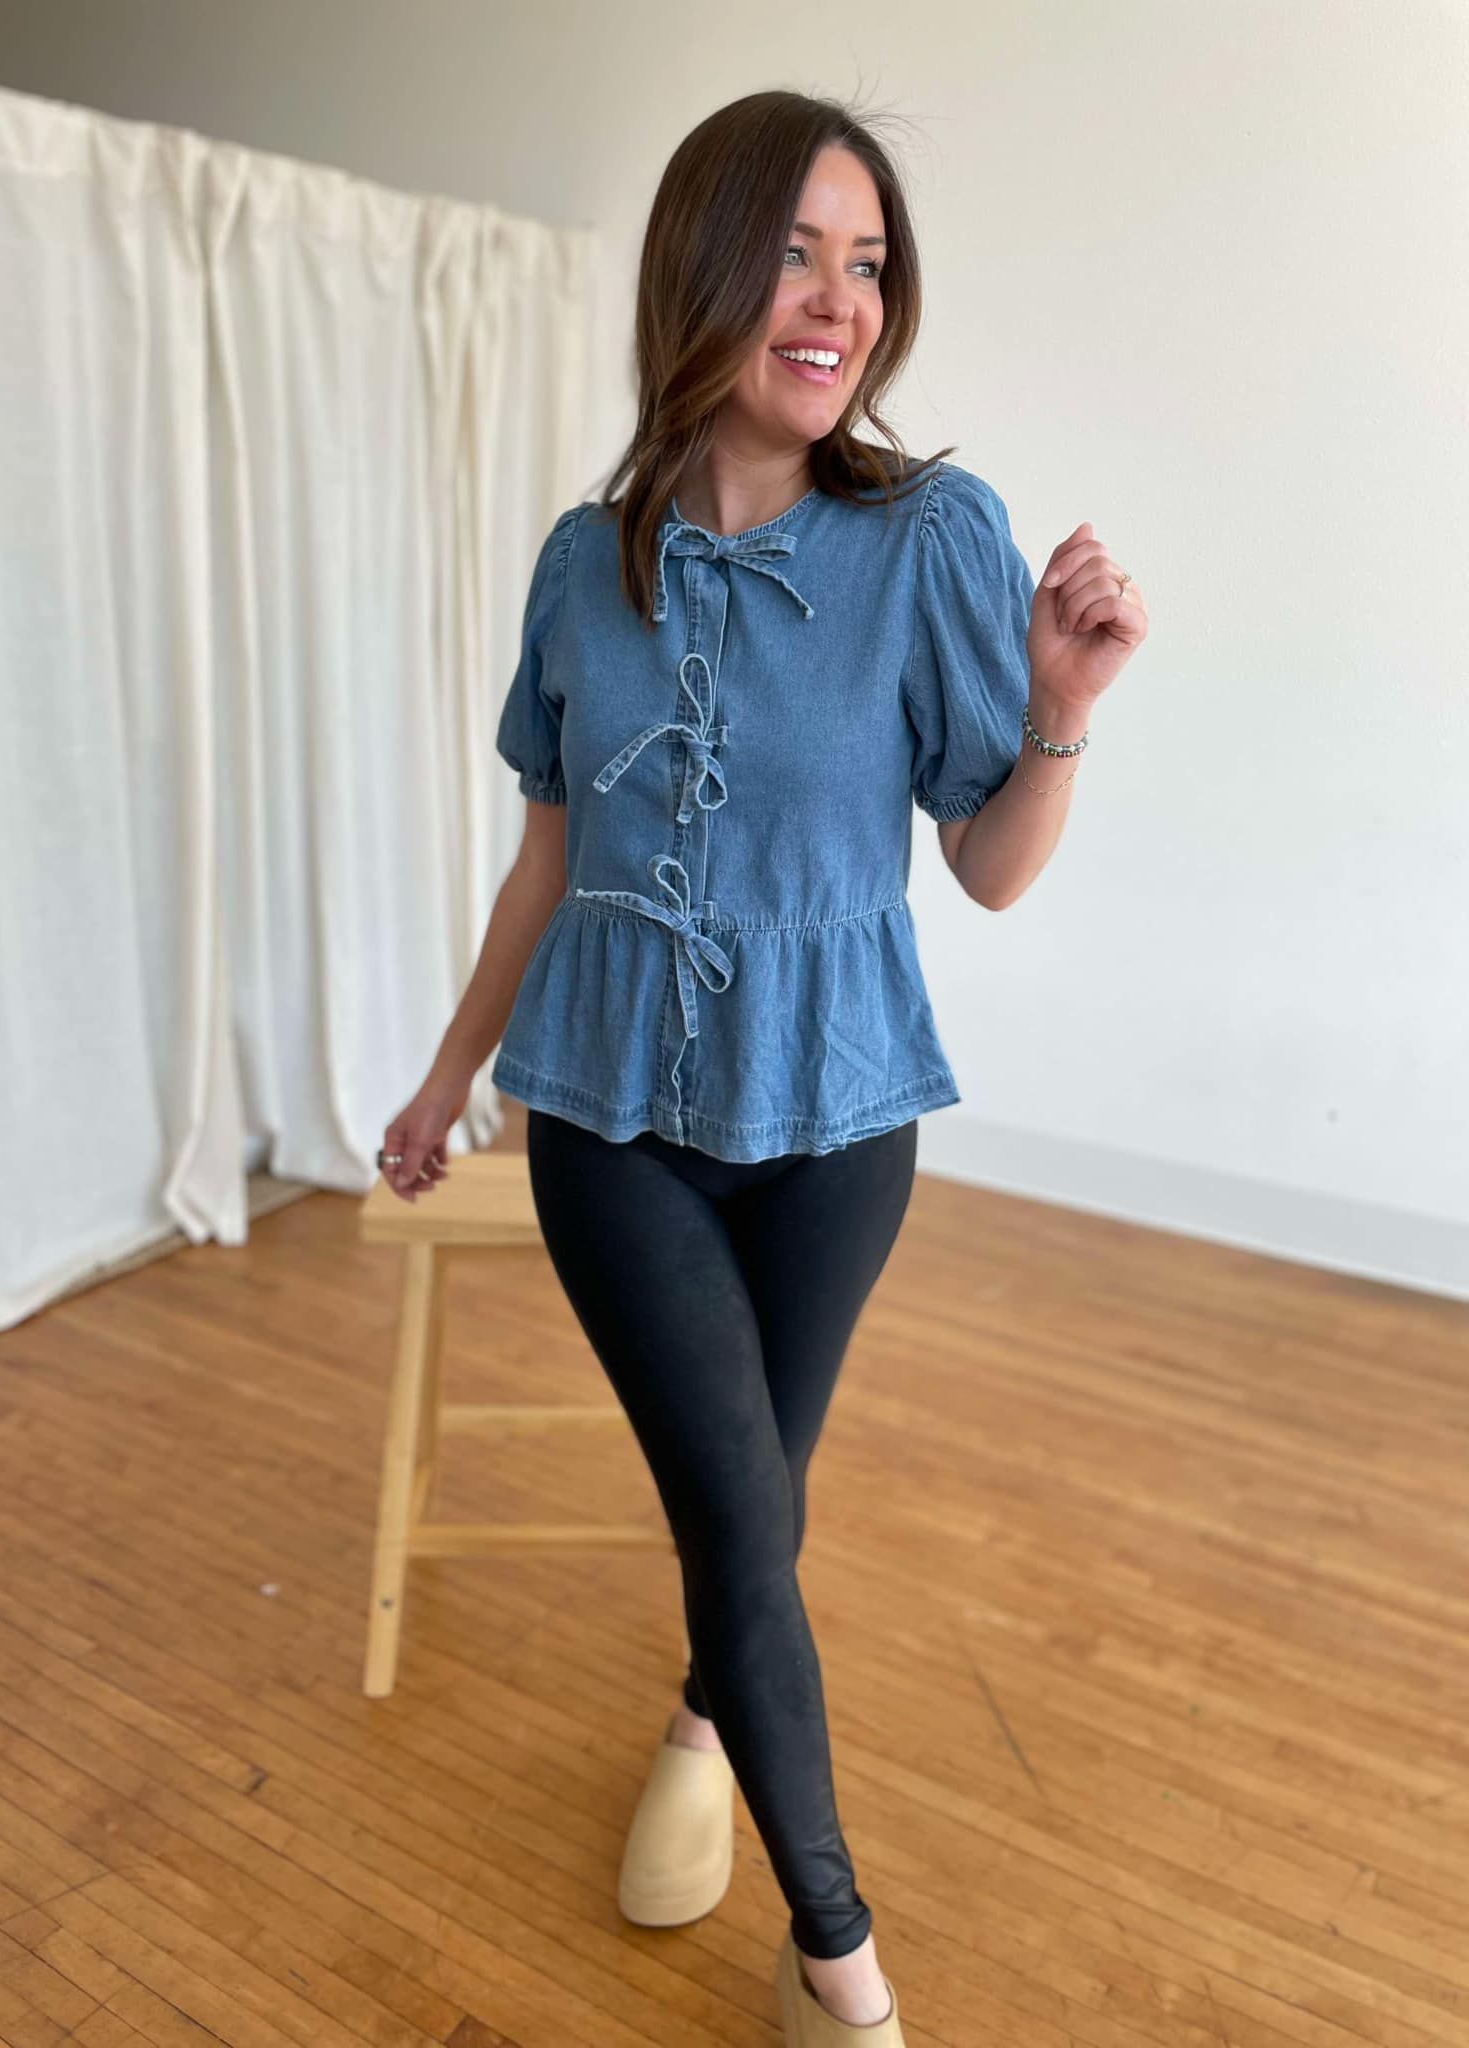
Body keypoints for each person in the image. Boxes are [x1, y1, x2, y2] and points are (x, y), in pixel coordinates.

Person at [379, 88, 1147, 2043]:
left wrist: (1058, 710)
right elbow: (547, 855)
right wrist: (448, 1073)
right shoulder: (586, 562)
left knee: (755, 1513)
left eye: (867, 263)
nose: (838, 302)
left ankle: (701, 1721)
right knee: (736, 1511)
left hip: (841, 1116)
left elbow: (987, 868)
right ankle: (843, 1972)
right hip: (607, 1115)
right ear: (703, 272)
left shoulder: (930, 538)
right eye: (796, 253)